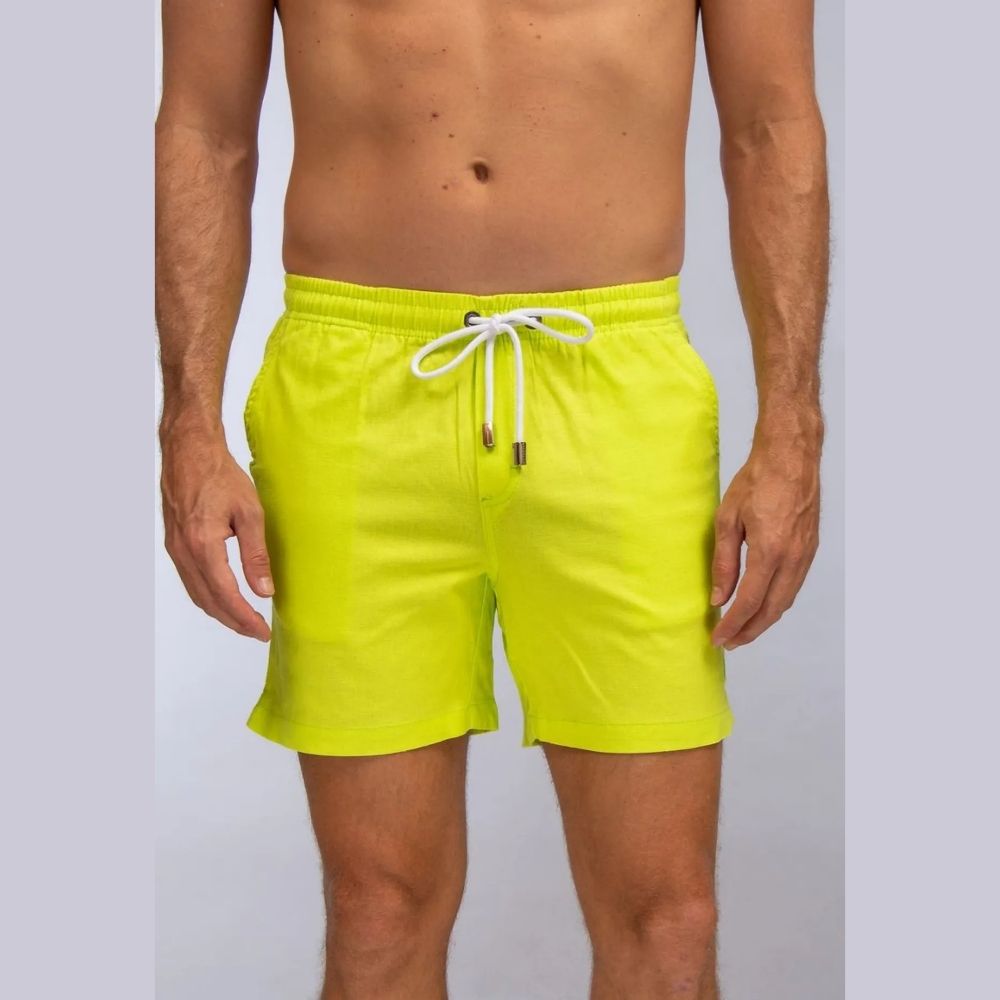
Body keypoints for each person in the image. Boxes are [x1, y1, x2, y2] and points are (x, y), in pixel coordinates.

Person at [156, 0, 827, 995]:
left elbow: (770, 125)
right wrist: (187, 419)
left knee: (667, 914)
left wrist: (793, 426)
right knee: (379, 905)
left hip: (614, 384)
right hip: (352, 391)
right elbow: (205, 128)